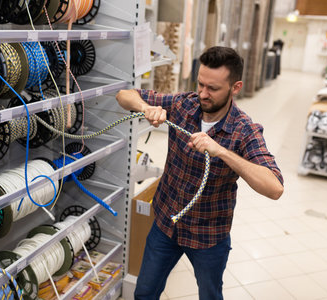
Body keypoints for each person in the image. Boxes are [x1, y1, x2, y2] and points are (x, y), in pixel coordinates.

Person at [116, 46, 284, 300]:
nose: (203, 94)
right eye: (201, 84)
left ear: (235, 87)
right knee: (145, 293)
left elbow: (275, 188)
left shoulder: (244, 130)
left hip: (209, 236)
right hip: (166, 224)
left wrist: (223, 152)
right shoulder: (184, 105)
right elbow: (123, 95)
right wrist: (145, 107)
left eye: (213, 88)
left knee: (210, 296)